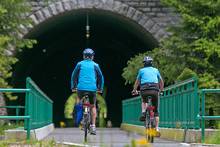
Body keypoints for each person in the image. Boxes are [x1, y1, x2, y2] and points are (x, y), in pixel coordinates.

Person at [71, 48, 104, 135]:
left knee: (79, 100)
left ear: (84, 56)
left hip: (81, 88)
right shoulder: (95, 65)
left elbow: (74, 76)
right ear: (92, 57)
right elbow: (101, 77)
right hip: (92, 89)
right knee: (93, 106)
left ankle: (82, 118)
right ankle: (93, 126)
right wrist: (100, 88)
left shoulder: (79, 64)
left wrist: (73, 87)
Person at [132, 56, 164, 132]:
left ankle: (143, 113)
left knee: (143, 101)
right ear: (151, 63)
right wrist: (161, 90)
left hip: (144, 90)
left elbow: (137, 82)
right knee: (156, 111)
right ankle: (156, 128)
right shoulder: (156, 70)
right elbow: (161, 81)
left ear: (144, 64)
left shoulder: (141, 71)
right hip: (155, 90)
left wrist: (134, 90)